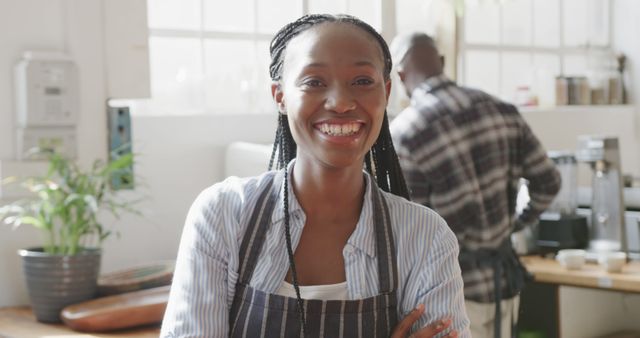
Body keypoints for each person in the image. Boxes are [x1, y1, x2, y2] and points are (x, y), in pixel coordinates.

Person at [161, 15, 470, 338]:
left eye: (362, 81)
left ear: (387, 92)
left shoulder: (425, 238)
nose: (340, 103)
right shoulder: (224, 215)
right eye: (314, 82)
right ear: (280, 96)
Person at [388, 32, 561, 338]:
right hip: (503, 283)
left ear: (400, 76)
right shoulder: (502, 110)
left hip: (447, 294)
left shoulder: (405, 133)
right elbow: (548, 181)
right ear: (442, 63)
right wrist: (513, 225)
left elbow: (409, 232)